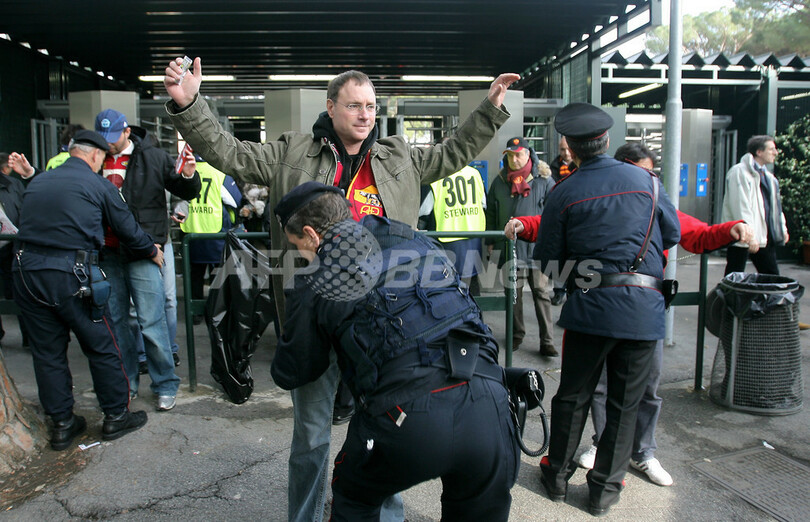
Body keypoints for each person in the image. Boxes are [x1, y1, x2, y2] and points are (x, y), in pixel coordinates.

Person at [163, 56, 517, 522]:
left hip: (383, 331)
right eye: (354, 105)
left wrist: (489, 109)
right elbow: (231, 154)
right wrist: (190, 105)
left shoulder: (398, 157)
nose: (365, 114)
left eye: (370, 105)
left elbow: (452, 153)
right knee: (311, 436)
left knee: (388, 432)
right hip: (314, 319)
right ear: (331, 107)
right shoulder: (292, 152)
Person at [506, 142, 756, 487]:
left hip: (633, 310)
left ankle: (641, 452)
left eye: (649, 172)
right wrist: (524, 223)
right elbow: (555, 218)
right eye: (642, 171)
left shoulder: (650, 197)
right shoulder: (609, 193)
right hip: (622, 309)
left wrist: (731, 229)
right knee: (602, 391)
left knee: (638, 391)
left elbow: (690, 232)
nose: (647, 177)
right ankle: (604, 465)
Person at [271, 182, 519, 521]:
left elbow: (294, 371)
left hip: (408, 419)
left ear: (312, 235)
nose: (301, 255)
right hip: (490, 401)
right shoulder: (409, 236)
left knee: (354, 499)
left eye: (298, 246)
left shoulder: (314, 277)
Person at [534, 103, 680, 517]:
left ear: (571, 148)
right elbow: (672, 232)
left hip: (590, 310)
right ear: (607, 141)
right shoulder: (649, 183)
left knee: (573, 396)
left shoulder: (564, 192)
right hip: (644, 311)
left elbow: (548, 261)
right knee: (624, 404)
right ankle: (603, 492)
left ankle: (557, 477)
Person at [11, 130, 157, 450]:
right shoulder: (97, 184)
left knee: (47, 353)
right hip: (71, 276)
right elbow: (127, 228)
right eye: (102, 159)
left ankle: (62, 425)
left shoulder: (40, 181)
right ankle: (116, 416)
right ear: (94, 156)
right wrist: (151, 251)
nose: (102, 164)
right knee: (102, 345)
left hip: (26, 273)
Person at [95, 108, 201, 411]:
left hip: (143, 250)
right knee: (117, 322)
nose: (109, 144)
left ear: (127, 131)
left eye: (113, 138)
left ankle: (165, 383)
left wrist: (190, 174)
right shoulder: (96, 159)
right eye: (104, 140)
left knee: (151, 321)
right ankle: (126, 382)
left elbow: (183, 189)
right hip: (108, 251)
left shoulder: (152, 156)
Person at [485, 137, 556, 356]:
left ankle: (547, 340)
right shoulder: (500, 181)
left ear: (528, 154)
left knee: (541, 292)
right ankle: (516, 335)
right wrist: (490, 241)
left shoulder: (544, 180)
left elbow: (553, 214)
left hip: (536, 248)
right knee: (512, 295)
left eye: (519, 154)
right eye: (510, 155)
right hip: (510, 249)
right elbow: (492, 214)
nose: (514, 159)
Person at [174, 156, 242, 309]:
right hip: (215, 234)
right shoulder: (219, 173)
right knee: (218, 277)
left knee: (194, 277)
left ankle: (195, 313)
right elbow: (235, 200)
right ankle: (216, 311)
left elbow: (177, 203)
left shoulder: (183, 171)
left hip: (190, 234)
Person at [721, 135, 788, 275]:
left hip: (764, 236)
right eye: (771, 149)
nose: (775, 153)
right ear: (759, 152)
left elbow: (776, 208)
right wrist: (750, 236)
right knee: (735, 276)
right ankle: (728, 297)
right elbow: (740, 206)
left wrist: (782, 229)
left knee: (771, 276)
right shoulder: (740, 172)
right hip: (743, 236)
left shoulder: (770, 178)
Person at [0, 155, 25, 345]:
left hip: (12, 245)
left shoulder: (13, 185)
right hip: (14, 246)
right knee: (18, 288)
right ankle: (28, 337)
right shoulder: (13, 185)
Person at [548, 137, 574, 305]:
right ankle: (559, 291)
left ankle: (573, 293)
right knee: (559, 258)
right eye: (562, 149)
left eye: (568, 149)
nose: (565, 153)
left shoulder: (582, 167)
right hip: (560, 216)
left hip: (576, 217)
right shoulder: (553, 168)